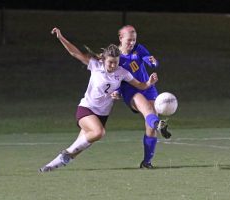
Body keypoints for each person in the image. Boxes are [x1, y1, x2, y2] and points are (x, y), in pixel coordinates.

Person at [39, 27, 160, 172]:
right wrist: (60, 37)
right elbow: (74, 52)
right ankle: (66, 154)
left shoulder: (122, 72)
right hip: (87, 109)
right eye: (110, 63)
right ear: (103, 60)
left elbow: (140, 85)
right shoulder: (95, 65)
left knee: (80, 145)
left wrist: (149, 83)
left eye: (116, 62)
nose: (113, 65)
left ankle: (51, 165)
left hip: (102, 115)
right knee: (99, 133)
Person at [116, 25, 171, 169]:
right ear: (121, 38)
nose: (132, 43)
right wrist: (117, 91)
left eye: (134, 40)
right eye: (129, 40)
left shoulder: (138, 49)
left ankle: (146, 162)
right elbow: (112, 77)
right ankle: (159, 124)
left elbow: (150, 60)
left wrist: (153, 61)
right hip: (130, 90)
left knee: (150, 126)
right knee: (148, 111)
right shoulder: (116, 56)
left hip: (148, 87)